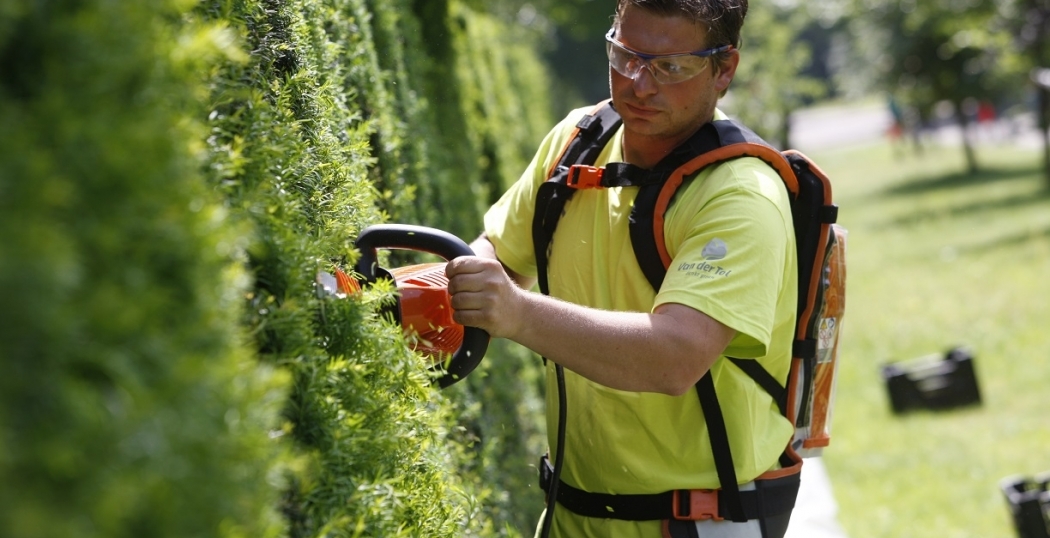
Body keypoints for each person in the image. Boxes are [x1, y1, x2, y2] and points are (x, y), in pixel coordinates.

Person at [446, 0, 798, 536]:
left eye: (670, 66)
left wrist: (515, 314)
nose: (638, 84)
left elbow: (673, 357)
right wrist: (404, 292)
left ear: (724, 69)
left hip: (696, 524)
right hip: (569, 514)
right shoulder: (576, 141)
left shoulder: (742, 197)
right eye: (625, 55)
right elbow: (496, 255)